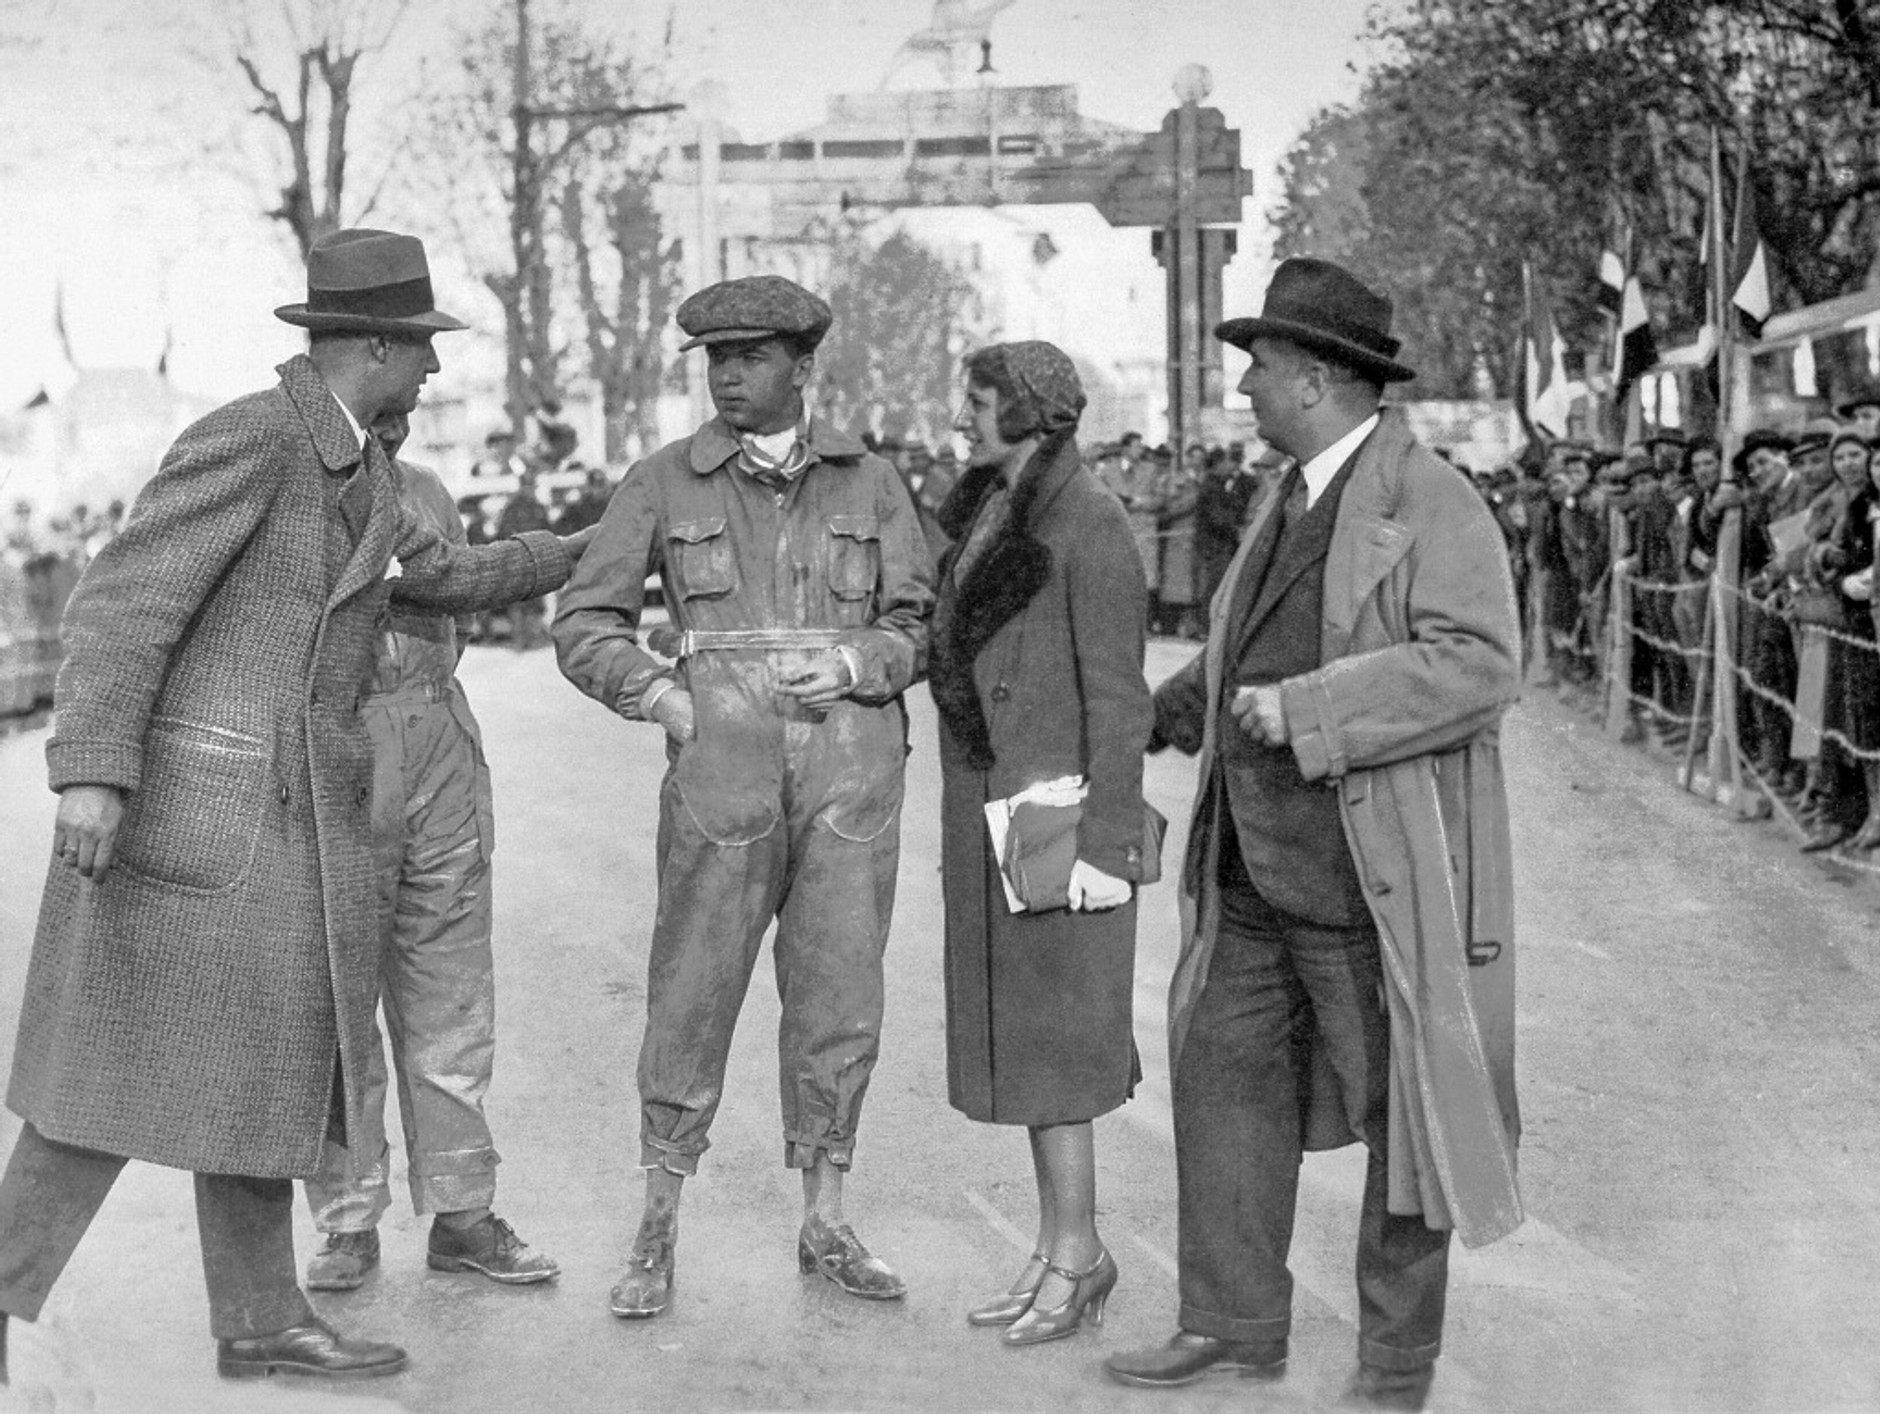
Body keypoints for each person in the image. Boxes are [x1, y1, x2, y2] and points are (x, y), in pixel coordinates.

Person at [0, 227, 589, 1383]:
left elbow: (448, 577)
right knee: (99, 1089)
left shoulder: (360, 468)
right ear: (373, 346)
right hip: (198, 819)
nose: (432, 369)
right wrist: (93, 770)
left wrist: (584, 545)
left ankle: (262, 1317)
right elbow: (122, 601)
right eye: (421, 348)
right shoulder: (255, 438)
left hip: (285, 825)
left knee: (258, 1070)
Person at [1104, 258, 1523, 1411]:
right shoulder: (1286, 494)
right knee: (1222, 1095)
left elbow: (1480, 666)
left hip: (1365, 885)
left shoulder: (1431, 499)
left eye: (1257, 368)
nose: (1242, 388)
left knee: (1405, 1128)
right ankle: (1231, 1325)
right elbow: (1245, 644)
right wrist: (1155, 714)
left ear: (1314, 379)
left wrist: (1310, 709)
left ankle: (1393, 1366)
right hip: (1246, 874)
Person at [552, 273, 933, 1321]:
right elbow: (583, 621)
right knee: (690, 990)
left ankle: (826, 1220)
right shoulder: (662, 483)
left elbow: (919, 620)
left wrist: (857, 663)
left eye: (751, 356)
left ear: (802, 367)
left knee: (839, 997)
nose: (727, 375)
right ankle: (657, 1225)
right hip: (720, 773)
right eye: (716, 358)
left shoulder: (872, 483)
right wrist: (661, 697)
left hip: (851, 771)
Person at [299, 410, 559, 1294]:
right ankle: (348, 1220)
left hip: (438, 737)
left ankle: (463, 1212)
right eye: (381, 404)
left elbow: (462, 601)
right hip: (340, 745)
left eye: (408, 404)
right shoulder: (296, 491)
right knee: (338, 1002)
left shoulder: (430, 492)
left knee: (451, 987)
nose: (397, 420)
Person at [929, 342, 1153, 1348]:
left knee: (1059, 1051)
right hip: (1005, 811)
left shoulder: (1088, 520)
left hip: (1057, 820)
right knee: (1027, 1045)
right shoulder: (998, 507)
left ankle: (1078, 1254)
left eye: (978, 402)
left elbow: (1120, 701)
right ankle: (1060, 1245)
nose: (962, 418)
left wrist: (1105, 846)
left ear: (1031, 411)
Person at [496, 472, 554, 651]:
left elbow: (548, 533)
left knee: (535, 603)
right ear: (521, 487)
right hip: (518, 561)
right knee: (518, 603)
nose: (530, 490)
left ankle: (533, 638)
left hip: (536, 562)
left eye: (532, 486)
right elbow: (503, 534)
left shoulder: (539, 508)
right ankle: (519, 640)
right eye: (527, 486)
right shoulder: (511, 509)